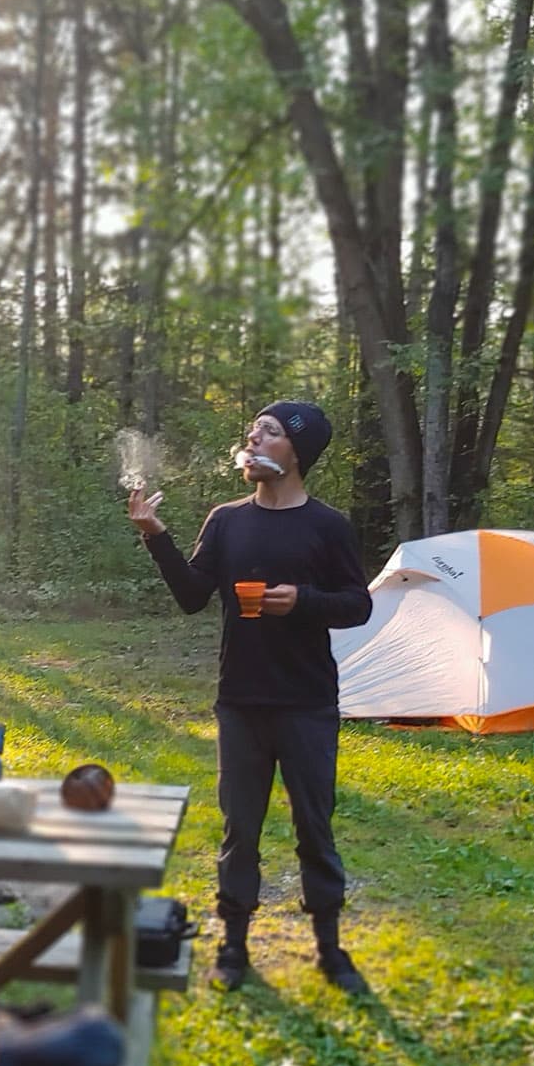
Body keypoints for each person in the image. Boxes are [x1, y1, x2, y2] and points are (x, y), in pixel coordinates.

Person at [128, 401, 375, 994]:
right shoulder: (227, 520)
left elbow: (359, 604)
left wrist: (305, 600)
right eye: (253, 429)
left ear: (295, 451)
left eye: (268, 430)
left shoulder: (328, 526)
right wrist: (156, 537)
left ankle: (330, 950)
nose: (253, 436)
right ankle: (233, 947)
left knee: (315, 828)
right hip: (240, 700)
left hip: (307, 703)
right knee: (241, 827)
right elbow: (192, 595)